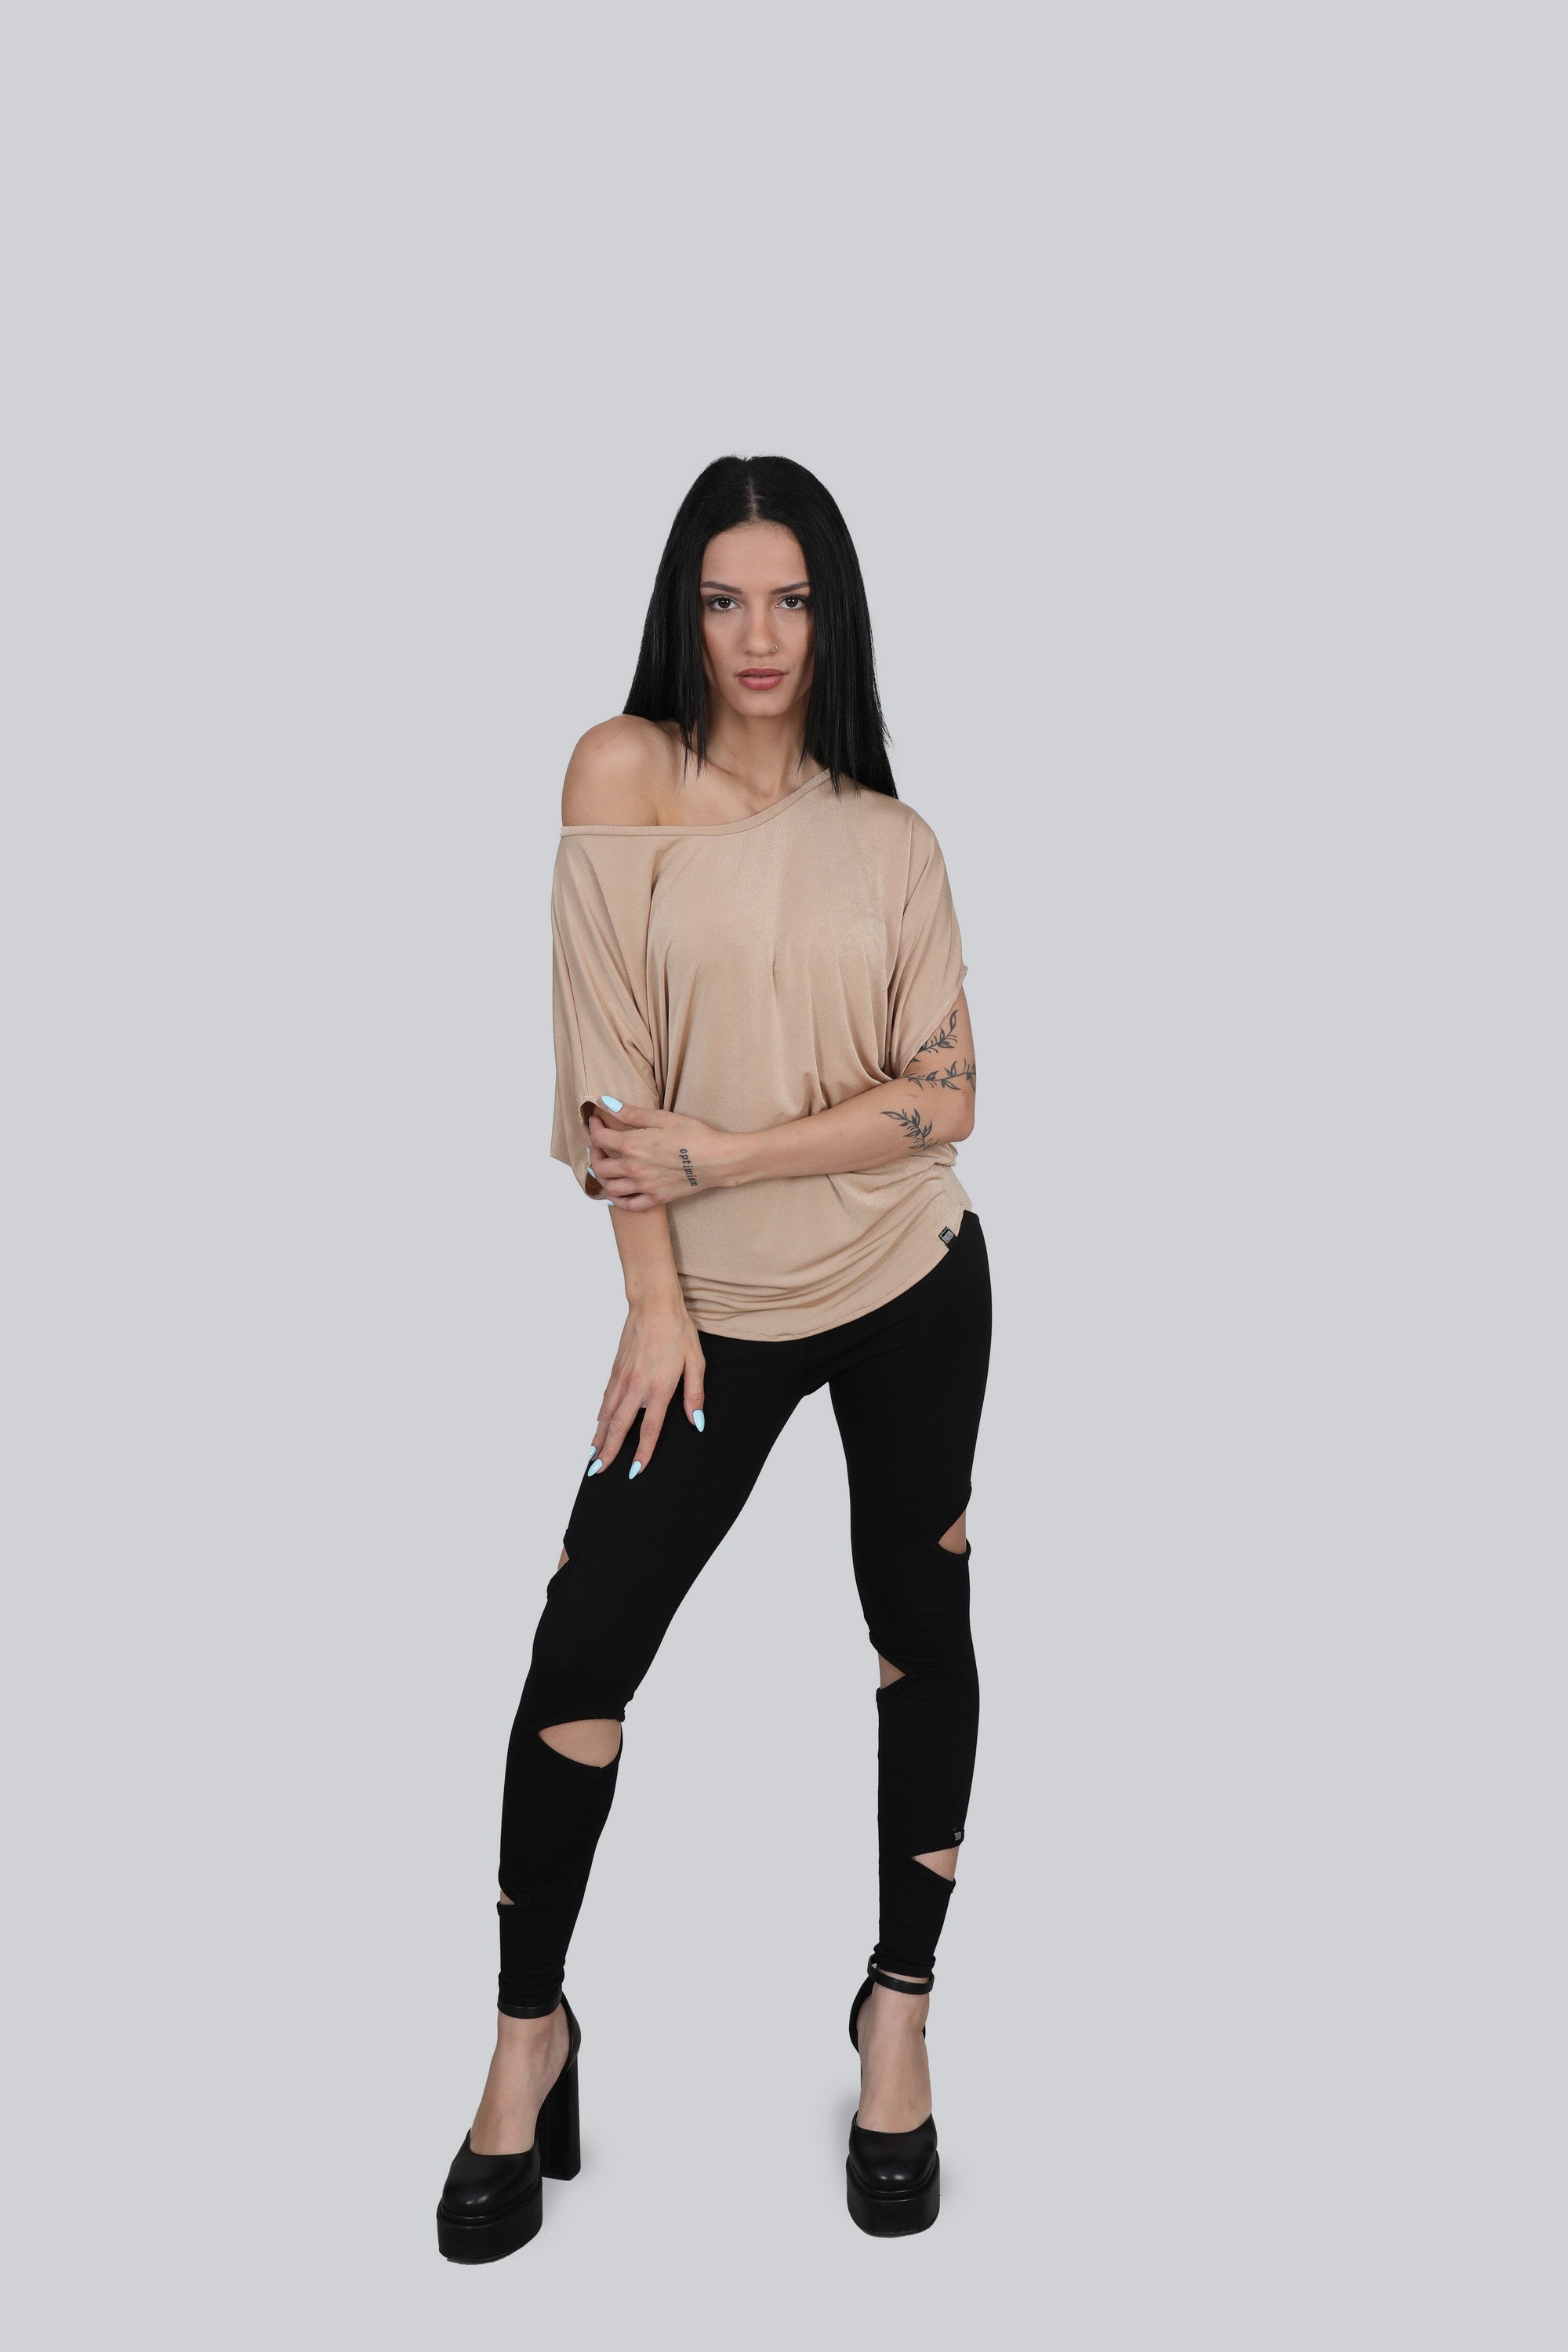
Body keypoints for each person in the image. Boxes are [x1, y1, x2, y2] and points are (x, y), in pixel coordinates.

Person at [436, 454, 990, 2259]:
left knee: (917, 1630)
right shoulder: (623, 771)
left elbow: (947, 1102)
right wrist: (655, 1297)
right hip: (710, 1316)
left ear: (833, 616)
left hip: (909, 1282)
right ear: (685, 611)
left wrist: (733, 1154)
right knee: (581, 1649)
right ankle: (529, 2034)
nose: (760, 635)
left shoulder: (892, 838)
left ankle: (896, 2015)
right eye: (725, 598)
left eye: (792, 598)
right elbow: (607, 1065)